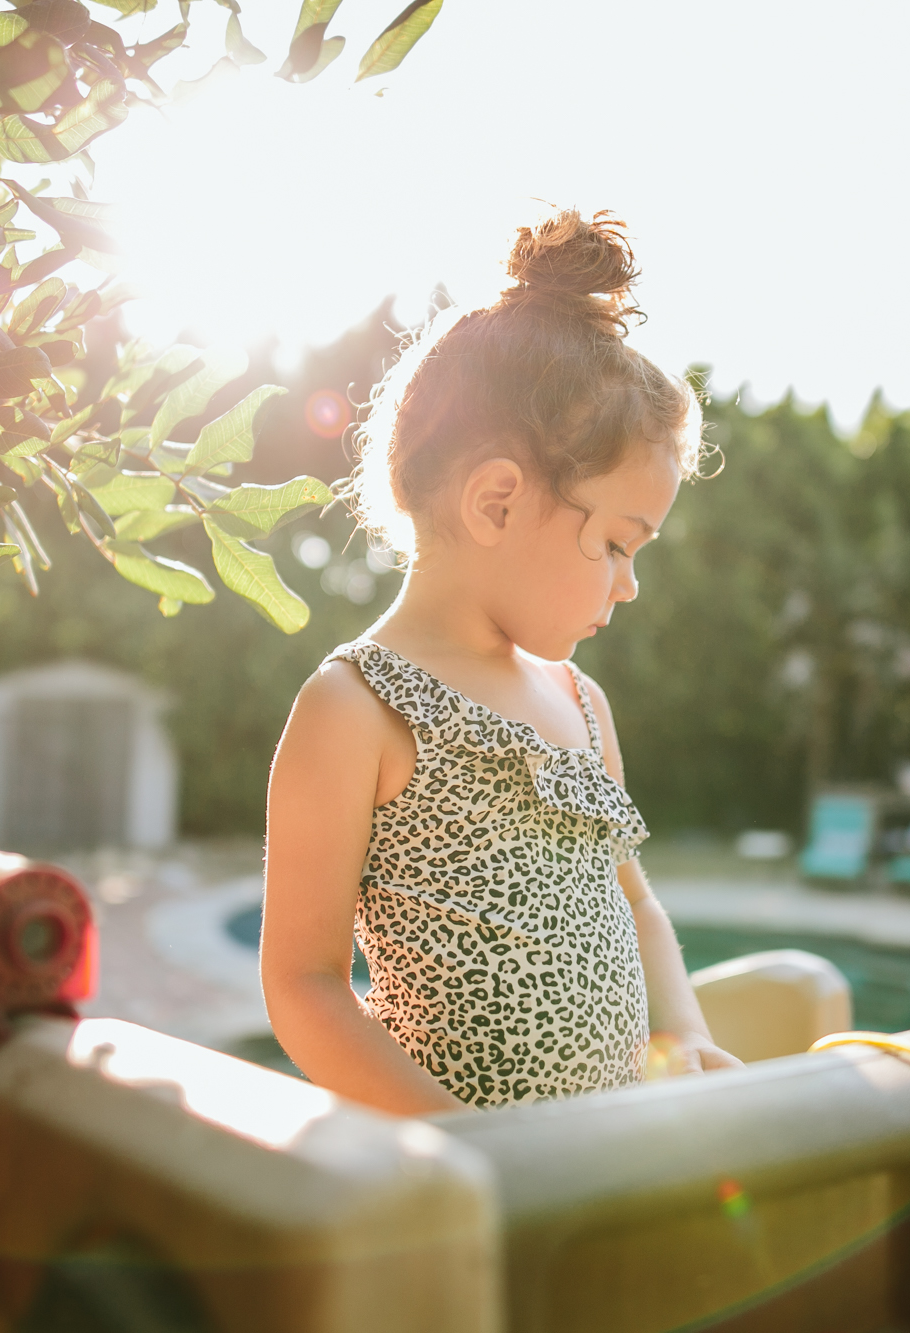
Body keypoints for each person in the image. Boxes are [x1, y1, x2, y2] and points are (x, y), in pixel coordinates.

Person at [261, 209, 741, 1115]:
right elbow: (303, 984)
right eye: (613, 543)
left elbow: (636, 906)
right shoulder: (357, 708)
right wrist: (472, 1151)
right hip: (461, 1203)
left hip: (601, 1163)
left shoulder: (583, 705)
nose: (629, 585)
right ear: (496, 502)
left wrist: (686, 1043)